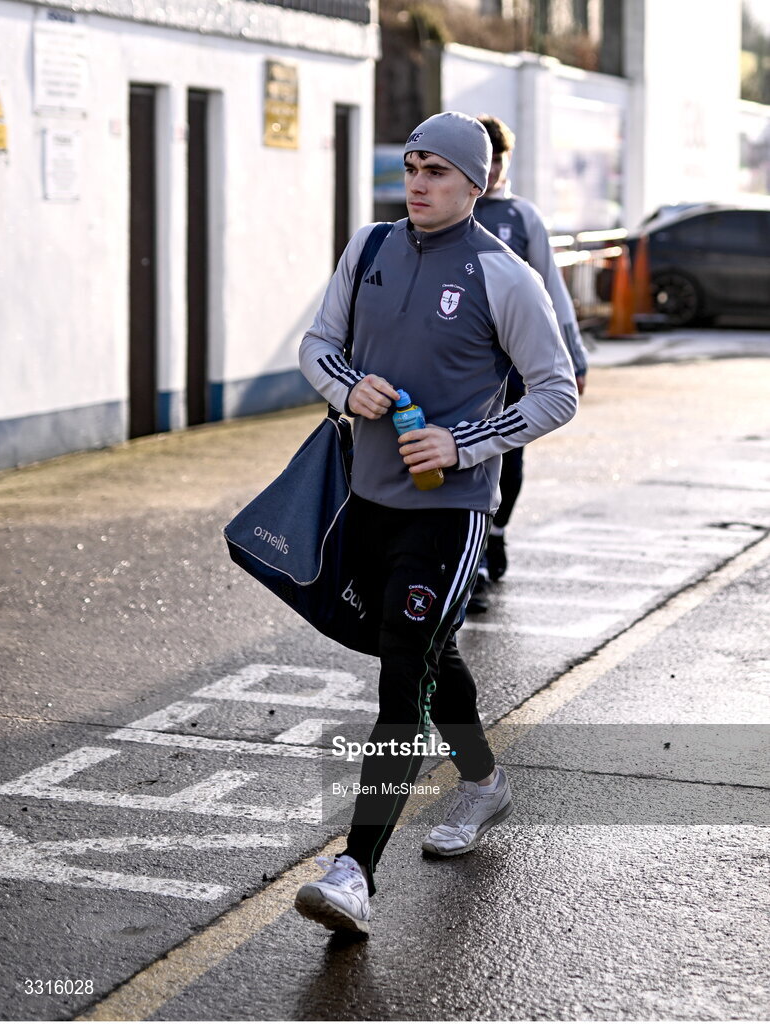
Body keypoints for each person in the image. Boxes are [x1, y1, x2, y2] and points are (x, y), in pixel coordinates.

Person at [294, 111, 578, 936]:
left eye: (437, 171)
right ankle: (483, 782)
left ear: (476, 184)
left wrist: (463, 444)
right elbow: (319, 345)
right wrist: (346, 387)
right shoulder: (369, 248)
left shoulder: (505, 276)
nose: (417, 184)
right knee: (423, 657)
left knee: (401, 679)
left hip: (448, 513)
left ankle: (354, 871)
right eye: (412, 166)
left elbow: (556, 391)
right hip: (366, 501)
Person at [465, 113, 589, 613]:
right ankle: (469, 563)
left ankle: (495, 533)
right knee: (463, 455)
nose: (492, 169)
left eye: (499, 159)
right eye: (486, 159)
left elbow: (552, 290)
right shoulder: (450, 211)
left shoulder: (522, 217)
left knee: (507, 459)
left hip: (513, 368)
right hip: (464, 367)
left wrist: (574, 353)